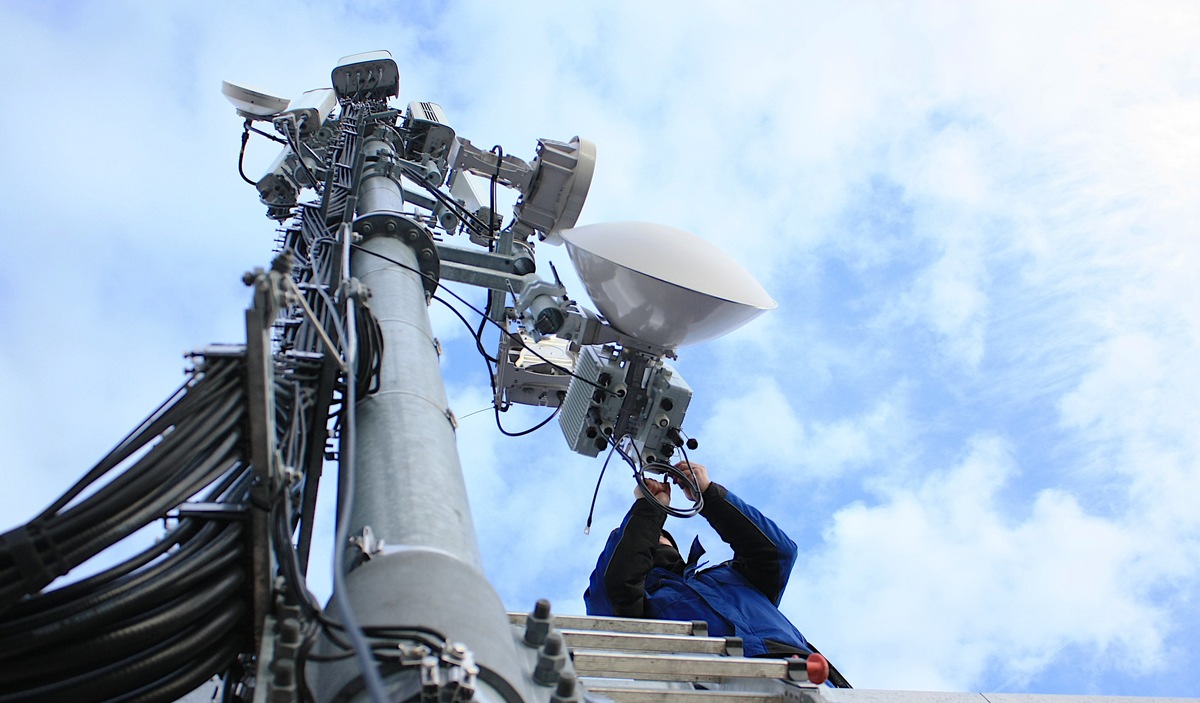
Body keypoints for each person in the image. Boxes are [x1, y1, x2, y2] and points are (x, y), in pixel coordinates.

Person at [585, 460, 850, 688]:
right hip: (710, 687)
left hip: (802, 675)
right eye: (647, 538)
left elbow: (777, 552)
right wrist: (649, 509)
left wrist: (708, 494)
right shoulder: (639, 610)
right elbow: (616, 585)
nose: (654, 542)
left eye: (659, 536)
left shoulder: (732, 577)